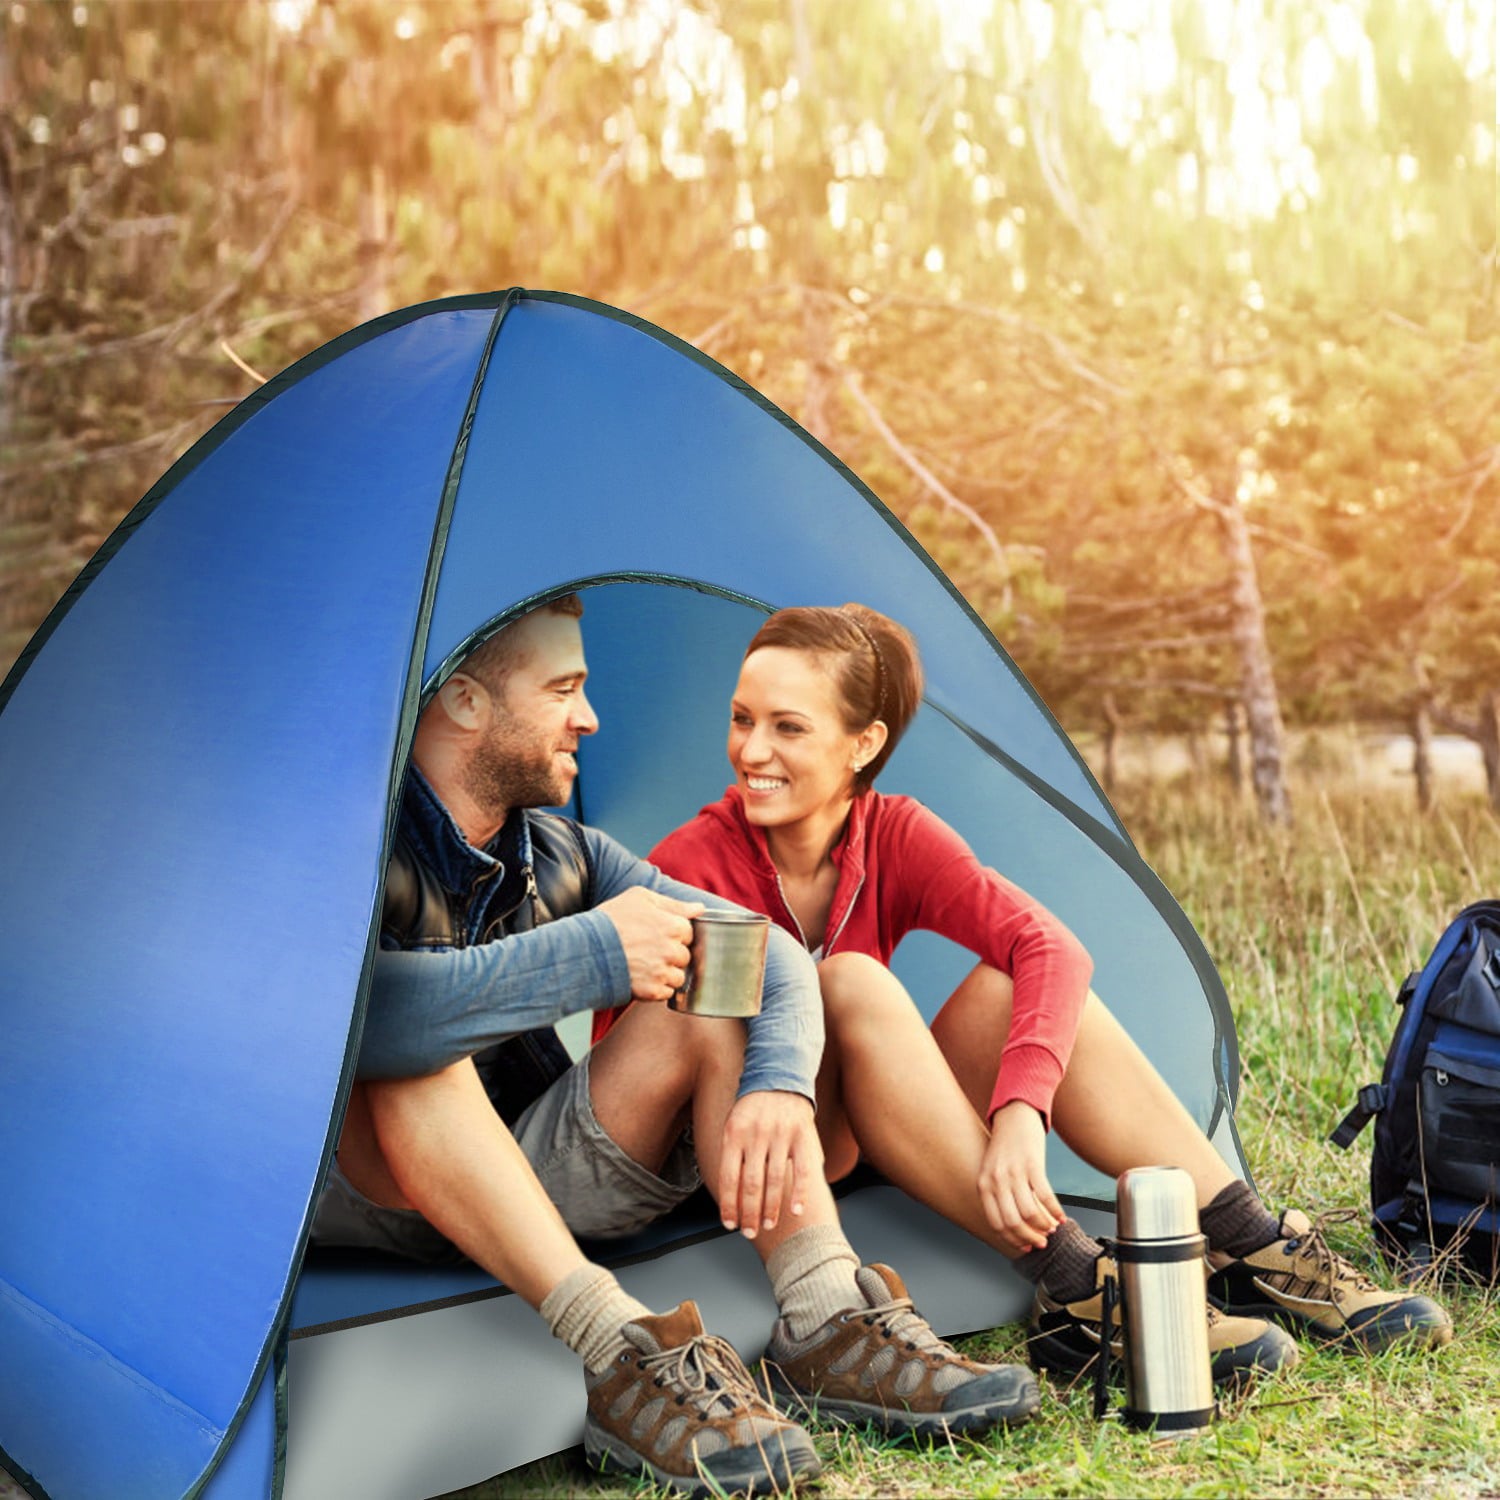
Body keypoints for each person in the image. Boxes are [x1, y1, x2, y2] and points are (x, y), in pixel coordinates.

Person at [310, 594, 1039, 1500]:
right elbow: (349, 1025)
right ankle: (620, 1351)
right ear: (465, 703)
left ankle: (825, 1318)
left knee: (715, 989)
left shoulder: (563, 850)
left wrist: (779, 1083)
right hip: (373, 1186)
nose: (591, 717)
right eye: (564, 689)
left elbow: (763, 953)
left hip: (521, 1169)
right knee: (415, 1063)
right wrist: (590, 956)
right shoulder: (344, 842)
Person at [618, 602, 1452, 1389]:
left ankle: (1250, 1245)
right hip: (744, 1159)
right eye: (742, 718)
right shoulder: (691, 863)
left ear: (862, 744)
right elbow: (650, 1063)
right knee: (851, 981)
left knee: (1019, 980)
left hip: (855, 1128)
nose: (751, 751)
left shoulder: (893, 831)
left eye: (787, 726)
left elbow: (1050, 945)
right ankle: (1078, 1282)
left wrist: (1022, 1109)